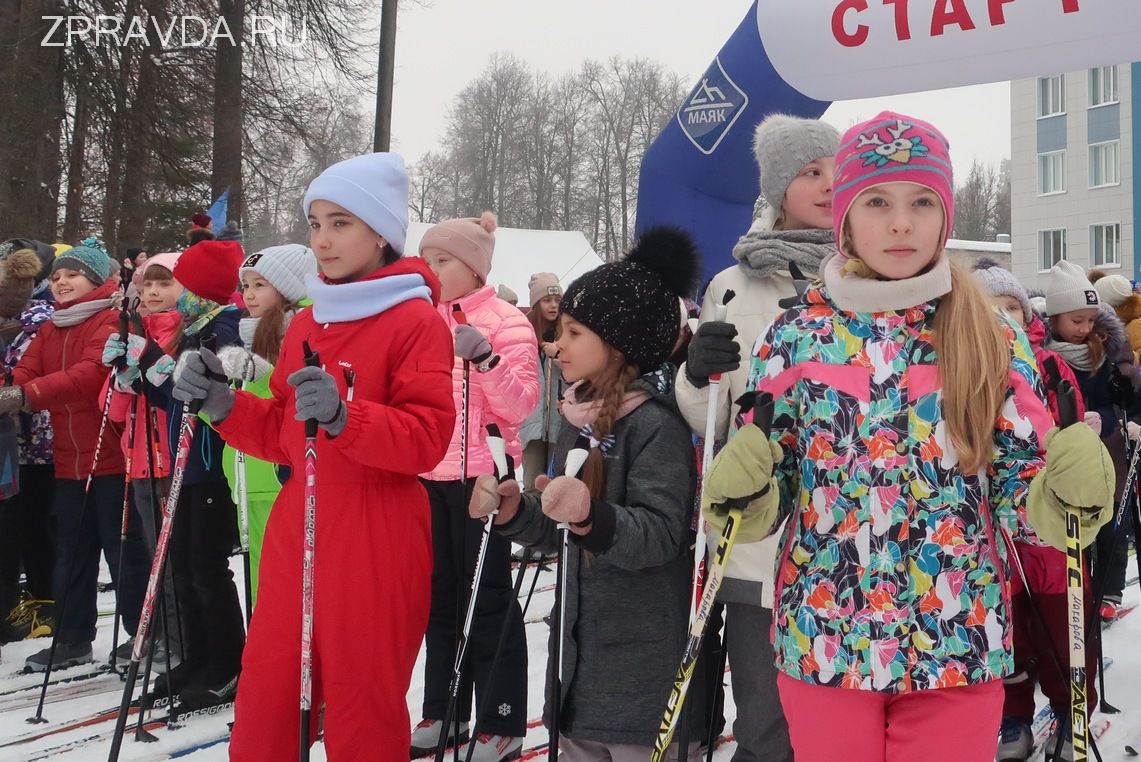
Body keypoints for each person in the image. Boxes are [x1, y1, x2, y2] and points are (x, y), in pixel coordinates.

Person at [701, 112, 1115, 762]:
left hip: (955, 640)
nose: (901, 222)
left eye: (921, 201)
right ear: (845, 217)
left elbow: (1022, 495)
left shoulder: (990, 334)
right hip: (825, 638)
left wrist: (1064, 493)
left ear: (944, 216)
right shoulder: (795, 335)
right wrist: (746, 491)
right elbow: (771, 490)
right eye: (877, 201)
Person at [172, 151, 456, 759]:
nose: (322, 239)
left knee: (362, 703)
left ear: (381, 233)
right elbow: (283, 432)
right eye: (315, 222)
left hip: (376, 533)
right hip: (297, 530)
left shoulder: (415, 321)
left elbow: (428, 437)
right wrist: (223, 405)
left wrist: (345, 416)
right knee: (269, 695)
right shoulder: (308, 322)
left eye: (341, 223)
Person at [470, 226, 704, 760]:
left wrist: (589, 515)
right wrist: (516, 511)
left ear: (618, 343)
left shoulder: (655, 427)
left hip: (641, 687)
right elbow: (560, 528)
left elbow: (663, 535)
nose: (557, 345)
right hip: (578, 670)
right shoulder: (580, 417)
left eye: (575, 333)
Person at [673, 113, 839, 762]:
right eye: (809, 171)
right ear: (776, 187)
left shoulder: (871, 275)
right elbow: (704, 417)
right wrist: (692, 373)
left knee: (839, 725)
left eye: (834, 169)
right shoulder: (732, 285)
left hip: (851, 535)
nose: (828, 183)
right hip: (756, 543)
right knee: (765, 728)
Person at [414, 212, 539, 761]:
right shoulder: (420, 321)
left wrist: (484, 358)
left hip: (484, 478)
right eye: (429, 259)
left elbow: (522, 405)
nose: (432, 270)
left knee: (486, 600)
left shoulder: (508, 321)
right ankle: (444, 710)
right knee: (438, 600)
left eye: (442, 260)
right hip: (427, 475)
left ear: (472, 265)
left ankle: (501, 716)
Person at [972, 259, 1101, 760]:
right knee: (1008, 631)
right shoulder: (963, 372)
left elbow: (1066, 424)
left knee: (1064, 624)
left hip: (1047, 524)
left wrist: (1082, 437)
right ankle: (1012, 717)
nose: (1003, 319)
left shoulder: (1047, 365)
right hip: (992, 533)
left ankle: (1074, 714)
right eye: (990, 310)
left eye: (1011, 308)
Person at [9, 243, 150, 672]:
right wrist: (11, 386)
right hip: (69, 461)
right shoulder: (50, 328)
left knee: (122, 552)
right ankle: (72, 637)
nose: (62, 282)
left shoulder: (112, 319)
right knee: (71, 551)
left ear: (94, 279)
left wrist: (26, 395)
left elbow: (90, 374)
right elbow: (27, 369)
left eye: (71, 275)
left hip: (110, 458)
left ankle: (142, 635)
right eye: (56, 277)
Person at [1041, 262, 1140, 627]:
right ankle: (1076, 597)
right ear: (1054, 319)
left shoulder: (1103, 352)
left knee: (1111, 524)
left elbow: (1119, 403)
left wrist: (1107, 419)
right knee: (1075, 532)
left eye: (1090, 320)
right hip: (1064, 459)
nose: (1084, 329)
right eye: (1075, 320)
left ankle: (1109, 594)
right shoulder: (1042, 357)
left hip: (1106, 455)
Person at [220, 243, 317, 606]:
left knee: (282, 586)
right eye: (245, 285)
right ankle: (266, 659)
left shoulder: (300, 330)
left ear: (289, 286)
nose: (249, 294)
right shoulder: (253, 333)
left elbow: (286, 399)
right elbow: (235, 412)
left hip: (277, 476)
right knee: (264, 586)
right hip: (251, 476)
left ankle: (287, 658)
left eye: (260, 284)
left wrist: (260, 374)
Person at [0, 239, 56, 643]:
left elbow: (24, 373)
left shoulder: (38, 319)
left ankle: (40, 597)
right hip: (17, 438)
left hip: (34, 437)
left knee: (31, 522)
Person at [519, 272, 563, 490]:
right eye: (547, 300)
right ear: (536, 303)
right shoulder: (522, 333)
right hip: (532, 423)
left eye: (557, 300)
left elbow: (583, 370)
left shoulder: (569, 332)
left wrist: (560, 356)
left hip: (561, 422)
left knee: (557, 487)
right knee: (532, 487)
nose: (553, 305)